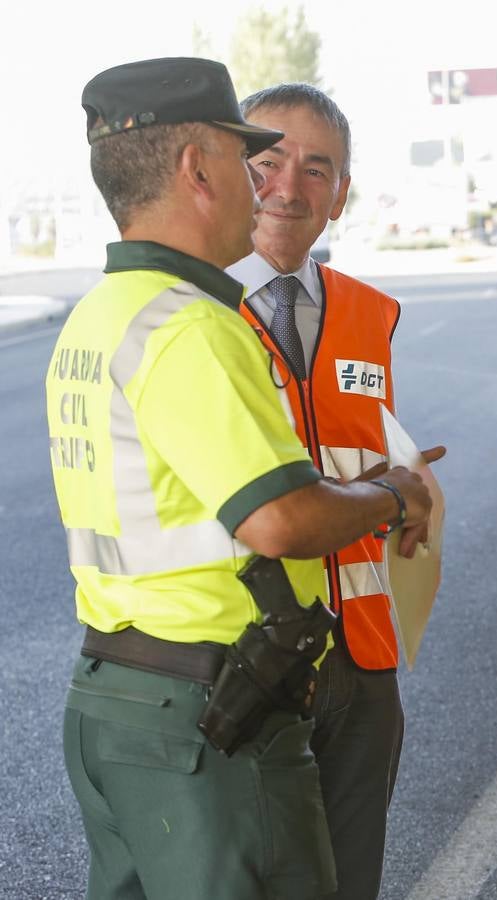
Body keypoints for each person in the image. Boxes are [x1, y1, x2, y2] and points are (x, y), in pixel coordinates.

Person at [48, 57, 432, 899]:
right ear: (199, 170)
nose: (273, 188)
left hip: (154, 688)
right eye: (250, 158)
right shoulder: (191, 321)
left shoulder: (107, 312)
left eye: (312, 167)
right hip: (216, 692)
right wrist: (394, 496)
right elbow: (282, 520)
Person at [224, 83, 427, 900]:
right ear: (231, 170)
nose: (290, 188)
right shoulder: (193, 309)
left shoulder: (371, 314)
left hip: (364, 655)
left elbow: (361, 450)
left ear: (342, 192)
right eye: (269, 161)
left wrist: (406, 488)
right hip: (248, 654)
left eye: (318, 169)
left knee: (350, 883)